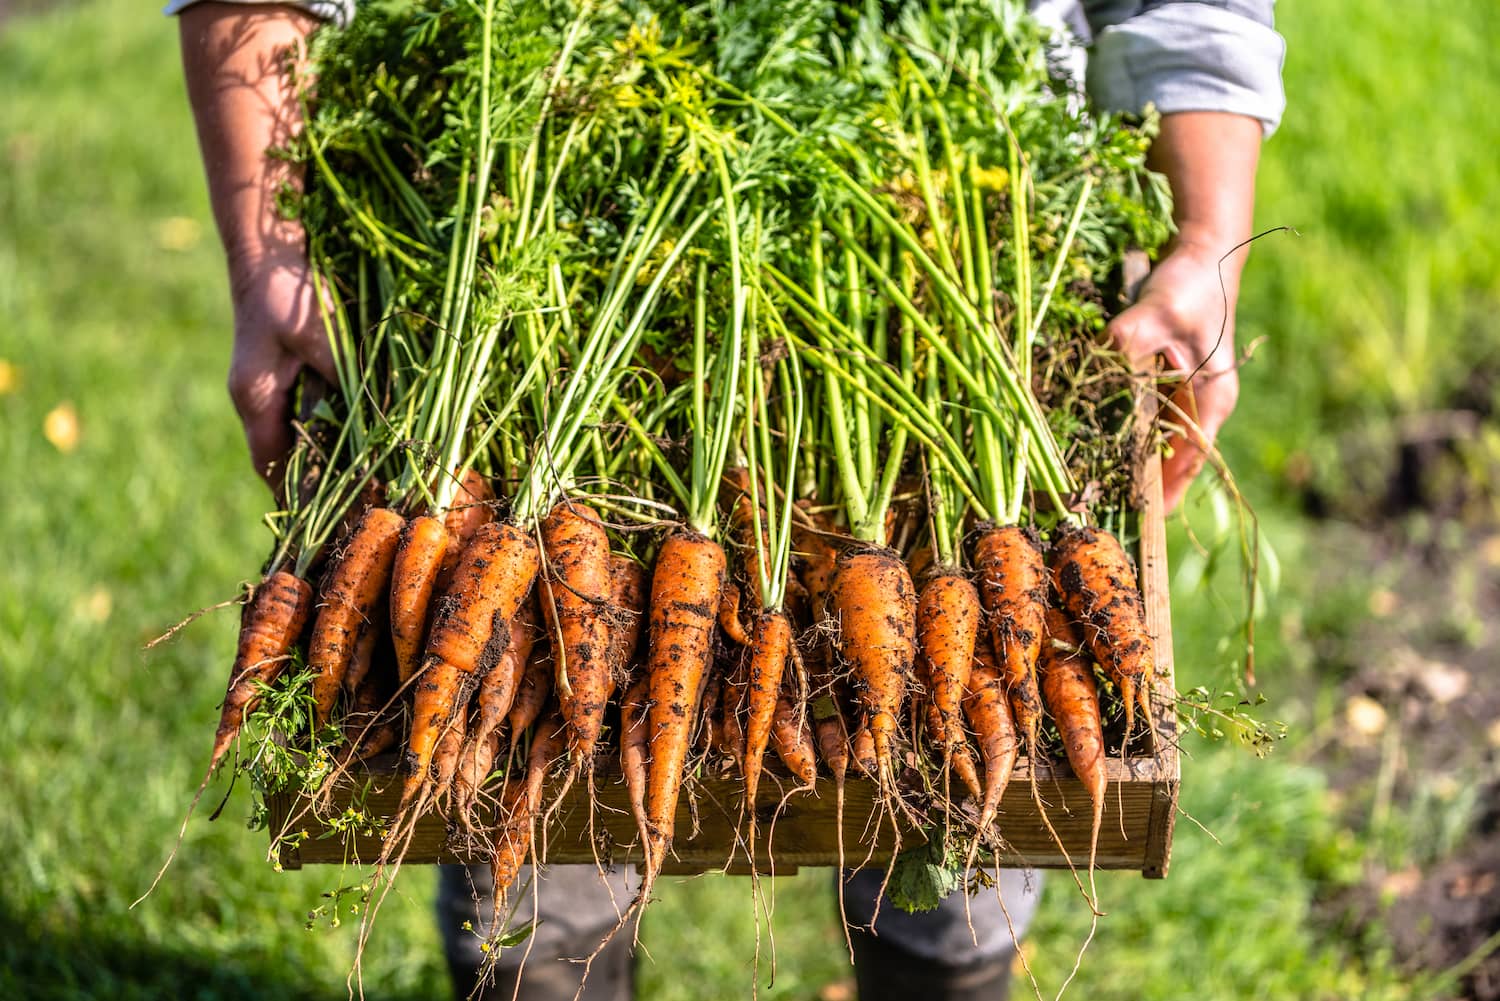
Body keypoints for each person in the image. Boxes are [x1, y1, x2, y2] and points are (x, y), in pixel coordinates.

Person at [173, 2, 1284, 998]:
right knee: (526, 800)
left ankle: (940, 942)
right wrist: (266, 243)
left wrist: (1203, 241)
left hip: (980, 252)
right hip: (554, 178)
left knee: (962, 835)